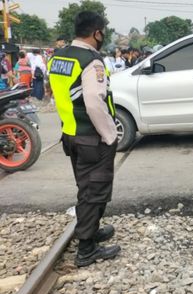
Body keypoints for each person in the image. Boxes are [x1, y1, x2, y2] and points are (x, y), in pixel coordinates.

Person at [48, 11, 120, 268]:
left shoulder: (58, 57)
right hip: (92, 138)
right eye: (103, 32)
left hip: (71, 134)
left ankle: (91, 230)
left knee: (86, 187)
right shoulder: (91, 61)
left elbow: (57, 93)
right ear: (96, 33)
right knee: (94, 192)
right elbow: (93, 103)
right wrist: (110, 135)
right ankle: (87, 250)